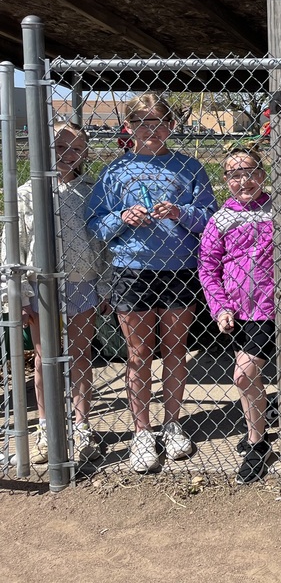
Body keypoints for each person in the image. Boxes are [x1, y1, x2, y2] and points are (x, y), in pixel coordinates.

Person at [87, 93, 217, 473]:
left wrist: (181, 212)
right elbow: (95, 221)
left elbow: (209, 217)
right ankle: (143, 431)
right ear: (129, 127)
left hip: (178, 269)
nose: (152, 129)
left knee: (176, 350)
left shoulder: (189, 167)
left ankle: (173, 424)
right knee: (139, 354)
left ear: (171, 126)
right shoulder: (116, 172)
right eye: (143, 121)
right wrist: (123, 218)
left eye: (159, 121)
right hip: (133, 269)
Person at [199, 148, 281, 484]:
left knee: (244, 374)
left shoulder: (277, 210)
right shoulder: (220, 219)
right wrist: (219, 306)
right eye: (234, 175)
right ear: (226, 181)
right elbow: (208, 268)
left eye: (250, 172)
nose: (243, 180)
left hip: (272, 307)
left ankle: (257, 443)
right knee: (249, 377)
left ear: (263, 174)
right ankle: (259, 426)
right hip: (237, 313)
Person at [0, 122, 109, 465]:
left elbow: (104, 244)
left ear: (84, 154)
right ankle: (47, 426)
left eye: (75, 148)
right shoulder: (26, 192)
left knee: (80, 355)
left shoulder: (92, 191)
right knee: (45, 357)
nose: (66, 154)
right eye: (59, 146)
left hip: (84, 280)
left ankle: (82, 424)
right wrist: (14, 294)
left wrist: (104, 285)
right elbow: (11, 246)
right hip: (40, 285)